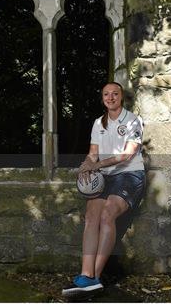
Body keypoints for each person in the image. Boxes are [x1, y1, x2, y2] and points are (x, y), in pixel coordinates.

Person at [62, 82, 146, 298]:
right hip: (105, 177)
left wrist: (96, 165)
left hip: (129, 175)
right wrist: (85, 167)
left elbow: (127, 154)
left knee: (107, 214)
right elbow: (93, 154)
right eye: (106, 94)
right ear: (102, 99)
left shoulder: (133, 121)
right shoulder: (98, 123)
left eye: (114, 94)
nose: (110, 98)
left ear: (121, 97)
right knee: (91, 216)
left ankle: (94, 278)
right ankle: (85, 274)